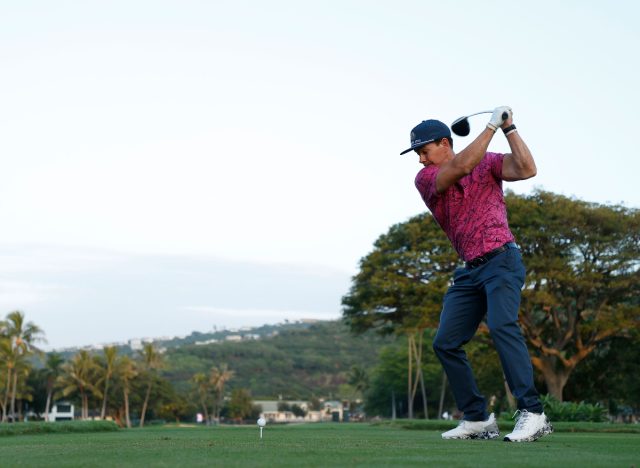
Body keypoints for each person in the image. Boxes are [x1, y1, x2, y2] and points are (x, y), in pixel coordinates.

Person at [400, 107, 553, 442]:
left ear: (444, 143)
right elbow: (462, 165)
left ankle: (533, 412)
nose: (420, 160)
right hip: (469, 271)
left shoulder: (488, 161)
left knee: (501, 325)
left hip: (502, 260)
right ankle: (478, 418)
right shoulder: (426, 178)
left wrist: (510, 129)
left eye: (424, 152)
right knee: (446, 342)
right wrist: (490, 126)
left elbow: (527, 168)